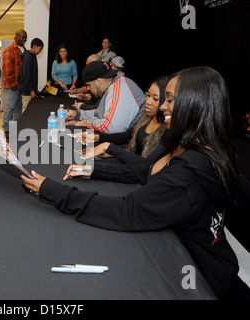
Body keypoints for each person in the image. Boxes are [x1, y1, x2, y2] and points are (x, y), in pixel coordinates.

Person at [22, 66, 250, 299]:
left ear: (194, 104)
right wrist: (93, 169)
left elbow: (127, 211)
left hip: (207, 282)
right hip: (216, 268)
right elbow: (146, 171)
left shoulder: (188, 172)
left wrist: (54, 191)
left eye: (170, 100)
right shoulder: (205, 148)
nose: (162, 106)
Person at [80, 76, 169, 164]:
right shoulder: (146, 117)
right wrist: (97, 137)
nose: (148, 101)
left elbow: (146, 166)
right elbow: (128, 135)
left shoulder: (168, 130)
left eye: (155, 99)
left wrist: (109, 148)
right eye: (148, 95)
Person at [66, 61, 145, 134]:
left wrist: (88, 122)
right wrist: (78, 114)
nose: (88, 89)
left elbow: (111, 128)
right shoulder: (114, 85)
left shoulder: (118, 88)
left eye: (89, 85)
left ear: (98, 81)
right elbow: (100, 113)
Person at [2, 29, 27, 138]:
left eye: (25, 37)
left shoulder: (23, 49)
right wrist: (13, 84)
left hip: (20, 85)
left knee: (18, 106)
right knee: (11, 106)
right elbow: (7, 70)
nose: (24, 39)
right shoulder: (10, 50)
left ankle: (15, 126)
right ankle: (6, 128)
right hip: (12, 85)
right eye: (22, 37)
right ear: (16, 37)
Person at [18, 37, 44, 113]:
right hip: (26, 90)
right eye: (40, 49)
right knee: (25, 110)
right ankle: (23, 125)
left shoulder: (33, 56)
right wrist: (31, 90)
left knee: (28, 110)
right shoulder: (28, 57)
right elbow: (26, 75)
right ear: (34, 46)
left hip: (29, 89)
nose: (40, 51)